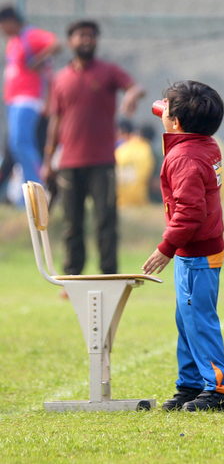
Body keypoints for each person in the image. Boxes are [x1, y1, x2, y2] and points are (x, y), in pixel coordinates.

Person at [143, 80, 224, 412]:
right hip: (196, 250)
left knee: (198, 320)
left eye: (166, 107)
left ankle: (218, 391)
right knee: (186, 319)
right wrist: (171, 113)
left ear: (177, 122)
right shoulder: (205, 144)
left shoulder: (184, 158)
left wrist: (166, 247)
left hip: (196, 255)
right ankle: (191, 385)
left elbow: (191, 211)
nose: (160, 108)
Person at [42, 20, 145, 275]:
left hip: (102, 162)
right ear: (70, 42)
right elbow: (55, 120)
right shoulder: (60, 79)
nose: (86, 40)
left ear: (96, 41)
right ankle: (72, 276)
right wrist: (48, 161)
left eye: (91, 36)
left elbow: (136, 87)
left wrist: (132, 95)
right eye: (81, 36)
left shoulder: (108, 71)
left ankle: (109, 274)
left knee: (106, 222)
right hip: (69, 164)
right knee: (72, 225)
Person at [1, 5, 61, 198]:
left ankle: (38, 186)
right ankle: (26, 192)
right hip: (13, 100)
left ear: (10, 21)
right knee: (15, 144)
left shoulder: (30, 35)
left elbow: (56, 44)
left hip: (27, 99)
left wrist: (36, 60)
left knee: (21, 142)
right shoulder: (13, 41)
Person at [114, 117, 156, 207]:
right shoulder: (149, 152)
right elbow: (154, 183)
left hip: (119, 202)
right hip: (139, 202)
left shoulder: (121, 148)